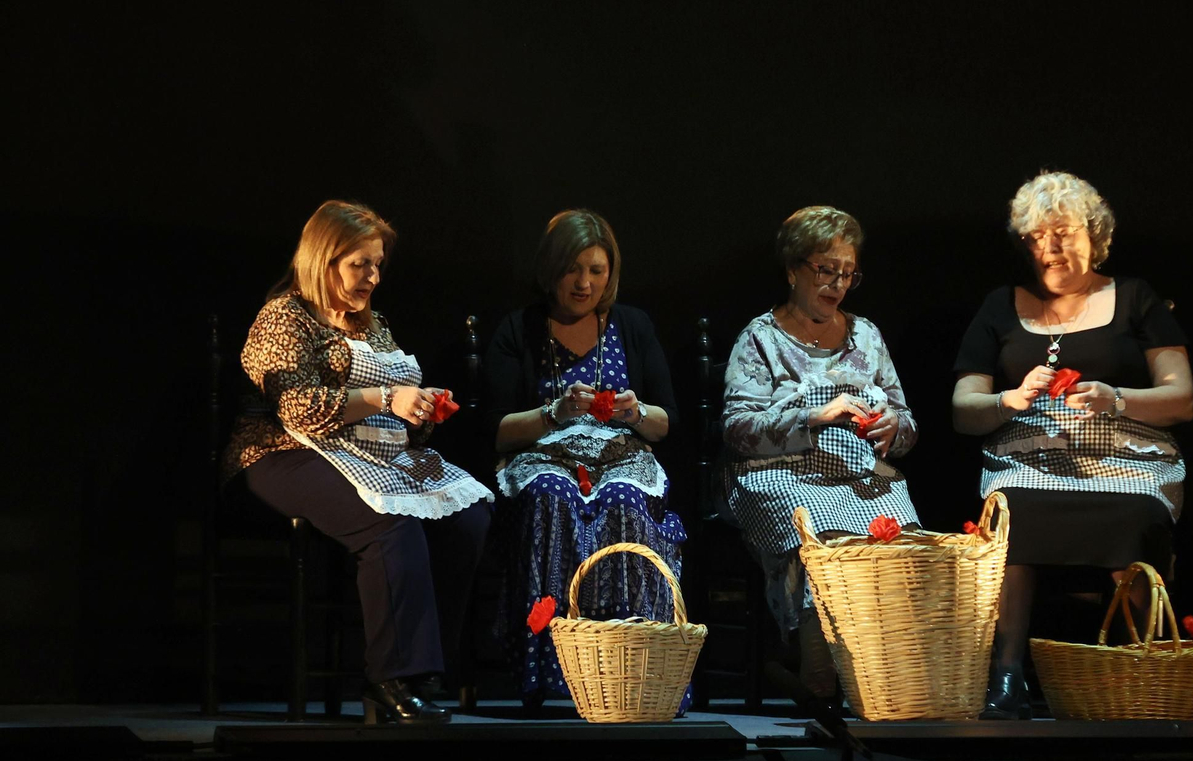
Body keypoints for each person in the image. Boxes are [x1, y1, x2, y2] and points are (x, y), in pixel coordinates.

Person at [224, 200, 493, 725]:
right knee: (388, 521)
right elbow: (296, 408)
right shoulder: (285, 317)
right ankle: (387, 681)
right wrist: (382, 398)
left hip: (360, 453)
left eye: (377, 265)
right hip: (281, 454)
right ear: (324, 260)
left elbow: (396, 402)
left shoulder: (373, 325)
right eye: (359, 264)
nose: (372, 276)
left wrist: (421, 408)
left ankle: (426, 672)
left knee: (467, 519)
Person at [952, 172, 1193, 719]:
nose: (1051, 248)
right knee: (1013, 514)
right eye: (1037, 237)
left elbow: (1182, 399)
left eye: (1062, 232)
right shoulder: (1000, 306)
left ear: (1095, 234)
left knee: (1132, 516)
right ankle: (1006, 678)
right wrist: (1007, 401)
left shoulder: (1134, 298)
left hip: (1126, 462)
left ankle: (1143, 673)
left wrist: (1117, 398)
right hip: (1029, 462)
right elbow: (962, 410)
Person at [485, 209, 685, 709]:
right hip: (545, 457)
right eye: (574, 269)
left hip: (620, 456)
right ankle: (548, 667)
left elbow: (668, 422)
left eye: (597, 271)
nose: (584, 282)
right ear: (552, 268)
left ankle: (630, 661)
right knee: (552, 496)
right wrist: (553, 412)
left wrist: (635, 411)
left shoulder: (632, 326)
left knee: (623, 500)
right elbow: (495, 428)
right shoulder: (520, 329)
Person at [722, 205, 920, 699]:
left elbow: (908, 423)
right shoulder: (760, 339)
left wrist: (894, 427)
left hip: (858, 476)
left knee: (901, 542)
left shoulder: (867, 336)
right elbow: (737, 429)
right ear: (793, 269)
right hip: (778, 473)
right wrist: (813, 415)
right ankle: (821, 679)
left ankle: (885, 680)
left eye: (847, 274)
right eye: (824, 271)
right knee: (825, 545)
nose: (837, 284)